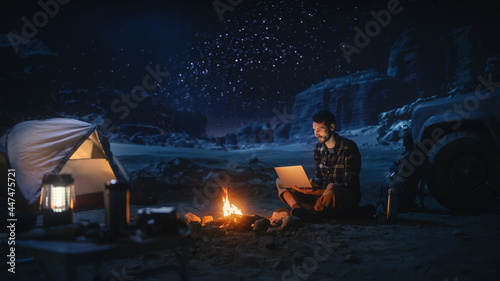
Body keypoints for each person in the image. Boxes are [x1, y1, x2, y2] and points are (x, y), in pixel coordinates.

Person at [276, 110, 362, 221]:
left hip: (343, 199)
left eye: (320, 129)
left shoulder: (348, 147)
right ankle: (299, 209)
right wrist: (307, 186)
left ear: (331, 127)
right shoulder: (319, 148)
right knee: (281, 180)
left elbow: (348, 186)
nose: (316, 134)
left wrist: (316, 191)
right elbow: (319, 179)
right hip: (322, 197)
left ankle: (313, 215)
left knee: (332, 188)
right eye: (314, 130)